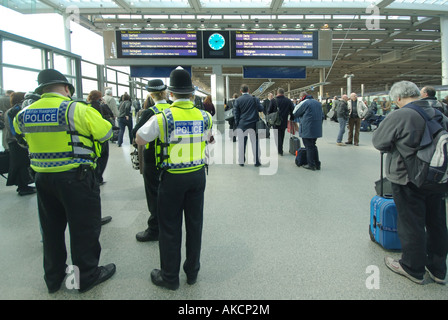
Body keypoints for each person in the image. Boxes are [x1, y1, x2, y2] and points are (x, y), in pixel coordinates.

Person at [13, 69, 116, 293]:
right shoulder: (75, 109)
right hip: (76, 177)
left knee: (51, 230)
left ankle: (53, 277)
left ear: (41, 90)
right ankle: (86, 276)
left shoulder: (25, 113)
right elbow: (105, 133)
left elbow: (20, 136)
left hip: (42, 178)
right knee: (83, 229)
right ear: (66, 88)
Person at [135, 67, 213, 290]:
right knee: (195, 224)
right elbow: (211, 139)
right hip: (197, 176)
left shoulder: (162, 118)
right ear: (191, 95)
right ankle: (192, 273)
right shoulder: (204, 116)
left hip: (171, 178)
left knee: (169, 227)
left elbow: (140, 139)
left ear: (170, 94)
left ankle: (169, 277)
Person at [372, 80, 448, 285]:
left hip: (407, 177)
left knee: (411, 222)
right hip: (438, 177)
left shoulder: (401, 114)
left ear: (397, 98)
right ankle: (438, 270)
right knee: (437, 222)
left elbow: (379, 141)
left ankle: (412, 267)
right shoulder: (439, 111)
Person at [132, 79, 171, 242]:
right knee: (169, 195)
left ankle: (154, 229)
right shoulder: (171, 110)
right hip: (172, 158)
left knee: (154, 195)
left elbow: (135, 136)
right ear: (165, 92)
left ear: (151, 94)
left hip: (153, 161)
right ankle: (169, 226)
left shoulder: (149, 112)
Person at [4, 92, 35, 196]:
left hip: (13, 141)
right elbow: (15, 129)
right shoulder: (14, 111)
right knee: (21, 165)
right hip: (16, 142)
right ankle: (23, 187)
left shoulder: (9, 111)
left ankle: (23, 186)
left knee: (19, 165)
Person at [86, 90, 114, 185]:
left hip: (90, 136)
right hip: (101, 135)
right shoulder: (99, 106)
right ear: (99, 97)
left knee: (94, 158)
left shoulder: (87, 106)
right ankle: (98, 178)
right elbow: (109, 114)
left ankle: (94, 177)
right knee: (103, 157)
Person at [233, 85, 264, 167]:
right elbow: (261, 109)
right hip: (254, 124)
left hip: (242, 124)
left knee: (242, 143)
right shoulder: (254, 99)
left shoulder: (238, 100)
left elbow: (235, 114)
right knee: (255, 143)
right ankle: (256, 161)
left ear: (240, 91)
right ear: (249, 90)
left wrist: (238, 124)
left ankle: (241, 161)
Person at [293, 92, 323, 170]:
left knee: (308, 146)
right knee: (313, 145)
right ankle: (317, 164)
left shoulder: (305, 103)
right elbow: (322, 116)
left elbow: (295, 113)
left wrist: (298, 104)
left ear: (302, 97)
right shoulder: (318, 103)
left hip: (307, 128)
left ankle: (311, 165)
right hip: (317, 128)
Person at [267, 88, 294, 155]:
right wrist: (292, 118)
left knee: (277, 135)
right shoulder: (288, 101)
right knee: (282, 135)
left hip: (275, 121)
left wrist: (269, 119)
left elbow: (269, 111)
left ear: (277, 93)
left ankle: (280, 150)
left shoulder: (273, 100)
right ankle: (280, 148)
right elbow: (292, 110)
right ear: (283, 93)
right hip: (284, 121)